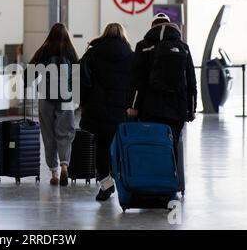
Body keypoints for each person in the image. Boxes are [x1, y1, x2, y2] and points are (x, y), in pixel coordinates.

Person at [127, 13, 197, 161]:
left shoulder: (143, 46)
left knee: (152, 144)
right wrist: (191, 110)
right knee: (172, 145)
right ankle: (172, 180)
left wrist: (133, 106)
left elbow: (137, 79)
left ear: (152, 27)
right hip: (177, 108)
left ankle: (153, 179)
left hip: (150, 108)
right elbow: (191, 80)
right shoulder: (183, 47)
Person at [79, 23, 134, 201]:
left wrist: (83, 101)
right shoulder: (130, 54)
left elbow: (80, 76)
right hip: (122, 111)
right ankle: (126, 184)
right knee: (121, 148)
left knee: (101, 148)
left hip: (98, 110)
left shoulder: (93, 52)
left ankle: (106, 186)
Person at [28, 23, 79, 187]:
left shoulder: (44, 50)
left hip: (46, 97)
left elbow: (29, 72)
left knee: (48, 134)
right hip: (66, 97)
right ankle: (65, 164)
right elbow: (78, 75)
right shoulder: (70, 51)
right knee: (65, 132)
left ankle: (54, 172)